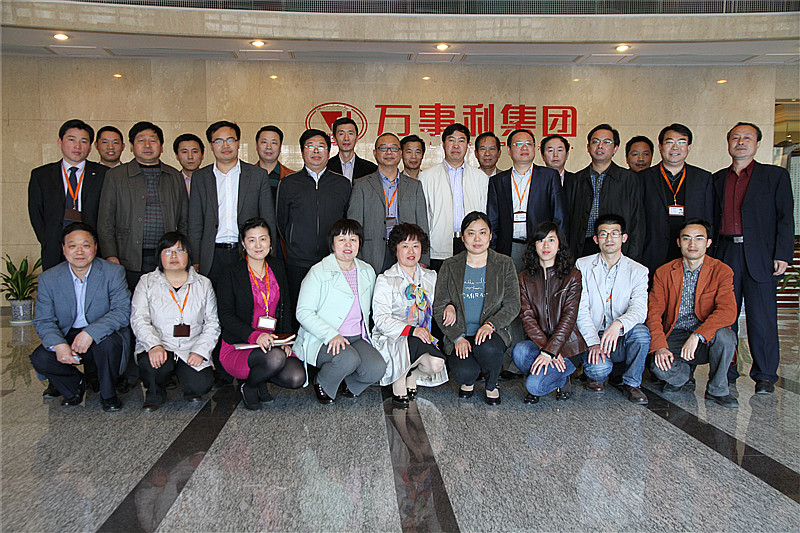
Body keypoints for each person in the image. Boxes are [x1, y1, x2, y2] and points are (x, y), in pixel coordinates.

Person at [712, 122, 795, 394]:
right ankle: (726, 369)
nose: (740, 142)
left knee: (762, 318)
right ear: (728, 143)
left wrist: (783, 254)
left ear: (757, 144)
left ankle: (765, 375)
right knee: (725, 315)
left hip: (761, 255)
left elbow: (785, 218)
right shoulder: (717, 179)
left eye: (747, 138)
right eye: (735, 137)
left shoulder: (775, 176)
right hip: (726, 253)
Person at [29, 222, 131, 411]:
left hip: (101, 333)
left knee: (110, 345)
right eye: (72, 245)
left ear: (95, 248)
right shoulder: (49, 278)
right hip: (66, 334)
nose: (79, 251)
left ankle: (108, 394)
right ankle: (74, 385)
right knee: (40, 358)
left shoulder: (113, 272)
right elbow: (44, 320)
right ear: (64, 249)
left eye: (85, 245)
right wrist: (59, 345)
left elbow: (122, 311)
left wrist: (90, 333)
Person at [647, 219, 738, 407]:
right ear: (679, 242)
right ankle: (683, 376)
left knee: (726, 336)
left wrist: (698, 335)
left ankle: (717, 390)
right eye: (686, 238)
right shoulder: (664, 272)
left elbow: (727, 311)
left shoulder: (721, 271)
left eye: (699, 238)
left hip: (705, 337)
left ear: (708, 242)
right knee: (658, 367)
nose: (692, 244)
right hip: (675, 334)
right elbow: (653, 313)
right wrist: (660, 346)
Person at [294, 219, 387, 404]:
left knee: (377, 368)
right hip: (323, 338)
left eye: (353, 239)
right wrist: (331, 335)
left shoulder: (367, 271)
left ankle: (348, 384)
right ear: (332, 243)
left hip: (357, 337)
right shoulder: (318, 272)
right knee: (348, 359)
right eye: (342, 239)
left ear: (360, 243)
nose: (348, 244)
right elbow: (303, 312)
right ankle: (323, 382)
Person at [217, 218, 305, 410]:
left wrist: (284, 341)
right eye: (252, 240)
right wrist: (255, 336)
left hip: (273, 342)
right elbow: (226, 315)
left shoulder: (278, 267)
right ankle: (250, 386)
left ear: (270, 242)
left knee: (297, 377)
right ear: (243, 243)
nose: (258, 245)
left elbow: (286, 307)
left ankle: (261, 377)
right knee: (275, 358)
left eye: (263, 239)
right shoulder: (230, 273)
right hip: (240, 345)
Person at [433, 211, 520, 405]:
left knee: (487, 348)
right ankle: (469, 380)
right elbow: (439, 306)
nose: (477, 239)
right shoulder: (450, 265)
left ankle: (491, 384)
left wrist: (491, 324)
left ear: (490, 236)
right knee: (463, 372)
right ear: (463, 238)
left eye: (482, 232)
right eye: (471, 233)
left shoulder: (504, 264)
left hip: (492, 332)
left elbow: (513, 304)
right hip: (461, 332)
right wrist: (457, 336)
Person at [131, 232, 219, 411]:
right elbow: (139, 319)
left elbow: (212, 323)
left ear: (188, 255)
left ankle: (187, 384)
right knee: (154, 367)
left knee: (201, 384)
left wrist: (200, 351)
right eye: (167, 251)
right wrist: (154, 345)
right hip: (160, 345)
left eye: (179, 251)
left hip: (191, 346)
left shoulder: (203, 284)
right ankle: (155, 393)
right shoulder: (147, 282)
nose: (173, 256)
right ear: (159, 256)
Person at [97, 121, 188, 292]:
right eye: (141, 140)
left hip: (167, 257)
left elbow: (184, 220)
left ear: (161, 147)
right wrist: (111, 255)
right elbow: (105, 221)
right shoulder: (116, 176)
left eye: (153, 140)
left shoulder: (174, 176)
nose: (147, 145)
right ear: (131, 147)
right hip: (127, 258)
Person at [187, 120, 279, 284]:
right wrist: (195, 258)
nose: (225, 145)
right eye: (219, 141)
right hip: (212, 254)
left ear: (238, 143)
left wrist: (271, 254)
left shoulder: (257, 175)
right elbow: (195, 223)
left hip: (247, 252)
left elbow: (268, 218)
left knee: (246, 297)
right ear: (211, 145)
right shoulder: (200, 178)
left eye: (230, 140)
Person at [276, 128, 351, 326]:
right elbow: (281, 222)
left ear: (329, 151)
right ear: (302, 152)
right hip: (298, 262)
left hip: (332, 261)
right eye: (310, 146)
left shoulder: (342, 184)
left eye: (321, 147)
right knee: (299, 309)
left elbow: (346, 221)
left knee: (330, 311)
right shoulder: (288, 184)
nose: (316, 151)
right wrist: (294, 244)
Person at [575, 214, 650, 404]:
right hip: (594, 333)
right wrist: (593, 342)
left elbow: (640, 309)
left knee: (642, 333)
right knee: (599, 370)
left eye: (615, 233)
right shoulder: (583, 265)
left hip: (621, 334)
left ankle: (632, 383)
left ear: (624, 238)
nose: (609, 238)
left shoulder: (639, 271)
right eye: (604, 234)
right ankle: (594, 374)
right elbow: (581, 309)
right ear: (596, 239)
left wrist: (618, 324)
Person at [373, 223, 447, 407]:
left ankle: (411, 373)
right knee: (406, 346)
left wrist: (451, 306)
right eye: (405, 246)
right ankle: (399, 378)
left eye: (416, 245)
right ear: (396, 249)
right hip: (393, 336)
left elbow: (442, 302)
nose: (411, 251)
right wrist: (411, 330)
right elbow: (381, 319)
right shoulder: (385, 279)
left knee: (436, 364)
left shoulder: (430, 277)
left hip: (421, 335)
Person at [512, 222, 587, 404]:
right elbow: (527, 318)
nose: (546, 245)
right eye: (540, 240)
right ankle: (552, 375)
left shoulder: (573, 276)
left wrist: (551, 351)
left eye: (551, 240)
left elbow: (569, 318)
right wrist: (547, 351)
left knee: (533, 387)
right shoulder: (524, 278)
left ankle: (560, 379)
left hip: (568, 347)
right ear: (534, 246)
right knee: (520, 351)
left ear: (559, 244)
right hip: (540, 344)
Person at [28, 119, 108, 271]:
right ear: (60, 142)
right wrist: (47, 240)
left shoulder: (104, 174)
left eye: (83, 141)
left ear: (90, 147)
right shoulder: (41, 175)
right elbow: (36, 213)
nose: (77, 146)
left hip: (93, 248)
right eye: (72, 140)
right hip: (54, 246)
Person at [487, 128, 568, 272]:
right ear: (509, 150)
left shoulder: (549, 176)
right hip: (509, 247)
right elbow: (493, 221)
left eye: (528, 144)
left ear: (535, 148)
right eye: (518, 144)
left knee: (539, 285)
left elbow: (559, 216)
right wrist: (493, 252)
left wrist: (558, 248)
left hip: (541, 246)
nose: (524, 148)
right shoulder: (498, 181)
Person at [347, 132, 429, 274]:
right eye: (383, 148)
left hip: (407, 250)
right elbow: (354, 226)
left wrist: (424, 259)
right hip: (372, 252)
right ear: (375, 153)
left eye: (394, 148)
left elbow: (422, 224)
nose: (389, 152)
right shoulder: (361, 185)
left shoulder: (414, 186)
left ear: (400, 153)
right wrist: (355, 258)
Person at [640, 124, 713, 277]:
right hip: (653, 253)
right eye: (669, 142)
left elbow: (709, 218)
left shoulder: (703, 178)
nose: (675, 147)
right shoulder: (643, 179)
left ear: (689, 147)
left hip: (692, 253)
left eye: (681, 142)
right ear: (660, 147)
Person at [565, 124, 644, 261]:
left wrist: (632, 256)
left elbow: (637, 221)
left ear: (615, 148)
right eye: (595, 142)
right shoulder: (576, 180)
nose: (600, 146)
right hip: (583, 246)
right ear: (588, 147)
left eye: (606, 142)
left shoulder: (628, 179)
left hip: (616, 247)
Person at [419, 123, 488, 269]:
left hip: (473, 245)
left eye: (461, 141)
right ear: (443, 144)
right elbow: (422, 218)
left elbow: (485, 214)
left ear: (468, 145)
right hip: (438, 247)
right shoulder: (426, 177)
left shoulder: (481, 178)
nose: (456, 145)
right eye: (451, 140)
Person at [326, 117, 377, 182]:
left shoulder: (371, 169)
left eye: (350, 133)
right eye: (341, 134)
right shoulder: (326, 167)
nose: (346, 138)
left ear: (357, 138)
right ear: (334, 139)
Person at [255, 125, 295, 201]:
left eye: (274, 143)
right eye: (264, 142)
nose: (268, 147)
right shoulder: (245, 176)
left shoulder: (292, 177)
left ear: (280, 147)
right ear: (256, 146)